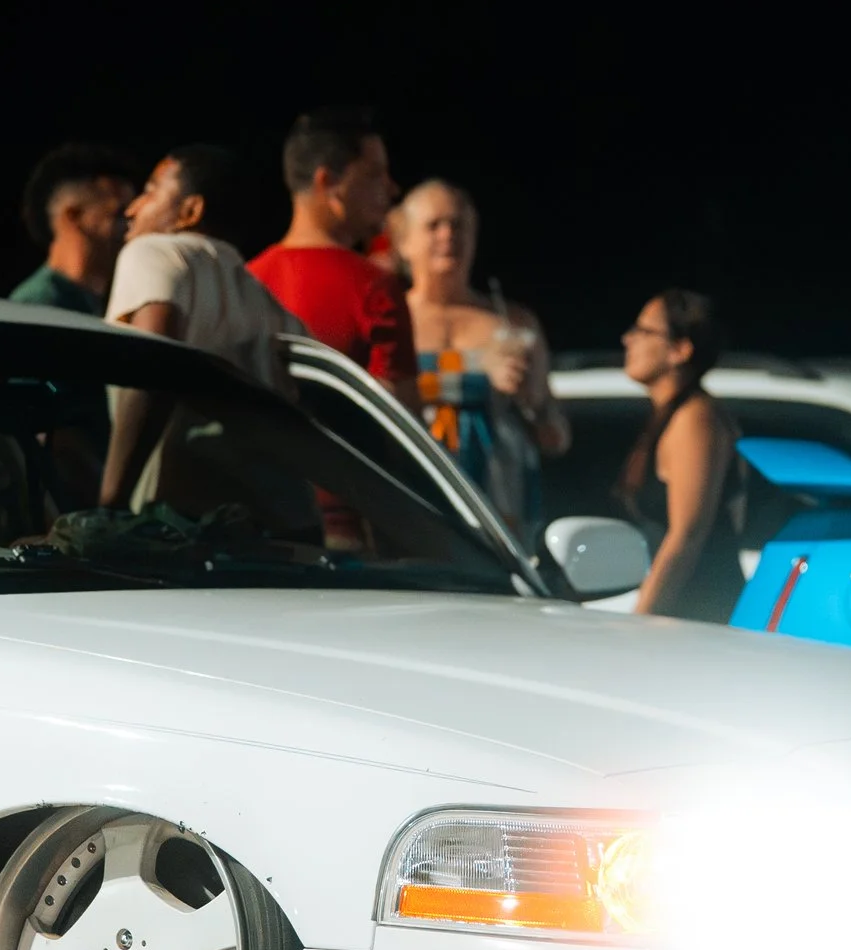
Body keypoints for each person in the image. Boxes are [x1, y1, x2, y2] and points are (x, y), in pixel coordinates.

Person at [100, 142, 299, 503]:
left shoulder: (153, 251)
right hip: (284, 526)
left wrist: (110, 503)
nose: (132, 209)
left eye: (149, 192)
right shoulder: (269, 305)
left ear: (190, 211)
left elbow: (154, 365)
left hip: (185, 530)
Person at [393, 177, 570, 534]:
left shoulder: (511, 322)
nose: (449, 236)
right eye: (434, 225)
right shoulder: (390, 320)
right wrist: (476, 371)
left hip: (500, 518)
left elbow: (557, 439)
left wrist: (532, 401)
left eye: (459, 225)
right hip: (413, 509)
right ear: (405, 242)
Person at [249, 110, 416, 394]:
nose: (392, 189)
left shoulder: (246, 279)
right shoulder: (375, 288)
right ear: (328, 183)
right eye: (374, 174)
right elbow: (400, 420)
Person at [614, 289, 748, 621]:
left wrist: (641, 620)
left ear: (680, 349)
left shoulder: (696, 418)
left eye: (644, 331)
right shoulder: (670, 416)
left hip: (700, 613)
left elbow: (686, 536)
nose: (627, 339)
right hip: (682, 614)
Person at [10, 143, 138, 313]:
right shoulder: (39, 304)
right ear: (74, 216)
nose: (133, 227)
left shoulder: (95, 301)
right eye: (121, 215)